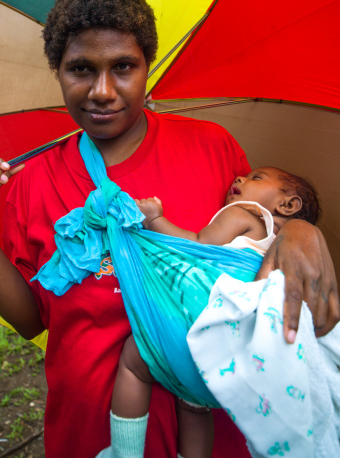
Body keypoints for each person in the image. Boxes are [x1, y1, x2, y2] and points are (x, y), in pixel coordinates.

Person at [0, 0, 340, 458]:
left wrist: (300, 232)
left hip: (213, 424)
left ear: (148, 65)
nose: (102, 90)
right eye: (80, 69)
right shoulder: (33, 180)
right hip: (93, 430)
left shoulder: (212, 148)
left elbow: (256, 237)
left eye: (123, 66)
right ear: (57, 71)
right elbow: (32, 321)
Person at [102, 167, 320, 458]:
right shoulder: (283, 254)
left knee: (133, 365)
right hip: (228, 359)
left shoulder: (245, 214)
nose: (239, 179)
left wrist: (155, 218)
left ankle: (125, 452)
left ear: (288, 205)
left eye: (256, 178)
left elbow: (198, 244)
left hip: (199, 325)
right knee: (195, 406)